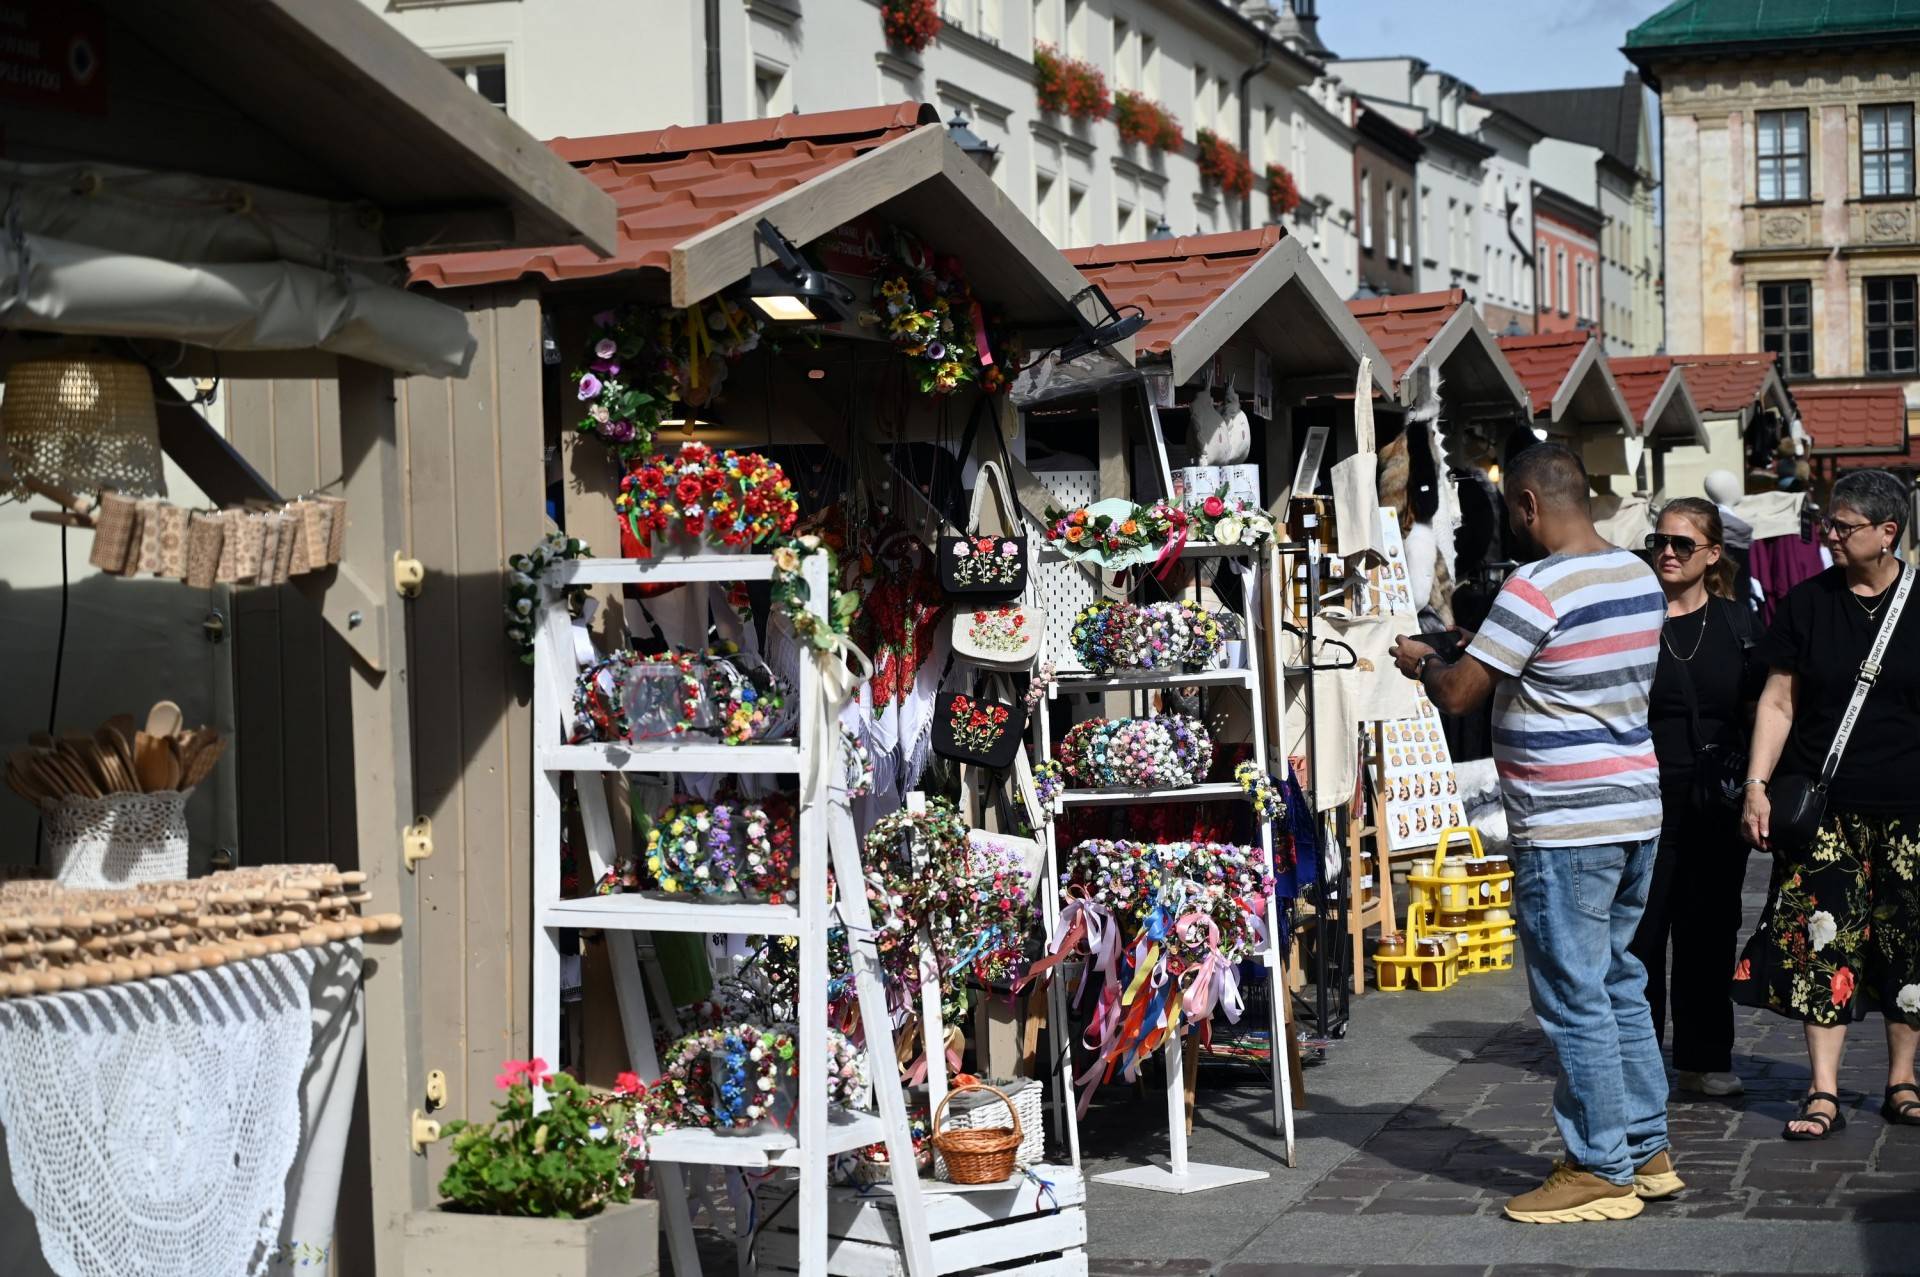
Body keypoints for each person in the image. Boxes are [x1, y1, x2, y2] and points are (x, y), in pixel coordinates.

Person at [1392, 444, 1675, 1223]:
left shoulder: (1536, 585)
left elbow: (1459, 693)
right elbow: (1548, 668)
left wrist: (1422, 661)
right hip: (1633, 811)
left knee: (1573, 997)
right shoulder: (1637, 575)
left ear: (1524, 504)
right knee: (1619, 982)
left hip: (1566, 824)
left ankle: (1597, 1166)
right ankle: (1646, 1147)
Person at [1735, 467, 1920, 1140]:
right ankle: (1822, 1090)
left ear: (1887, 532)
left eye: (1843, 527)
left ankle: (1902, 1080)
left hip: (1911, 807)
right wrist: (1757, 783)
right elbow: (1779, 700)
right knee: (1823, 943)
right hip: (1826, 808)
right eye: (1828, 524)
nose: (1830, 536)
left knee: (1909, 946)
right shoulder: (1809, 603)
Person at [1629, 499, 1765, 1098]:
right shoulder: (1631, 620)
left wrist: (1757, 787)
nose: (1667, 551)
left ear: (1712, 555)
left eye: (1683, 544)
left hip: (1714, 802)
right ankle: (1637, 1062)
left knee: (1709, 931)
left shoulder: (1739, 625)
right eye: (1660, 540)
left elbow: (1763, 710)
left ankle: (1703, 1058)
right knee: (1640, 935)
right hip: (1640, 799)